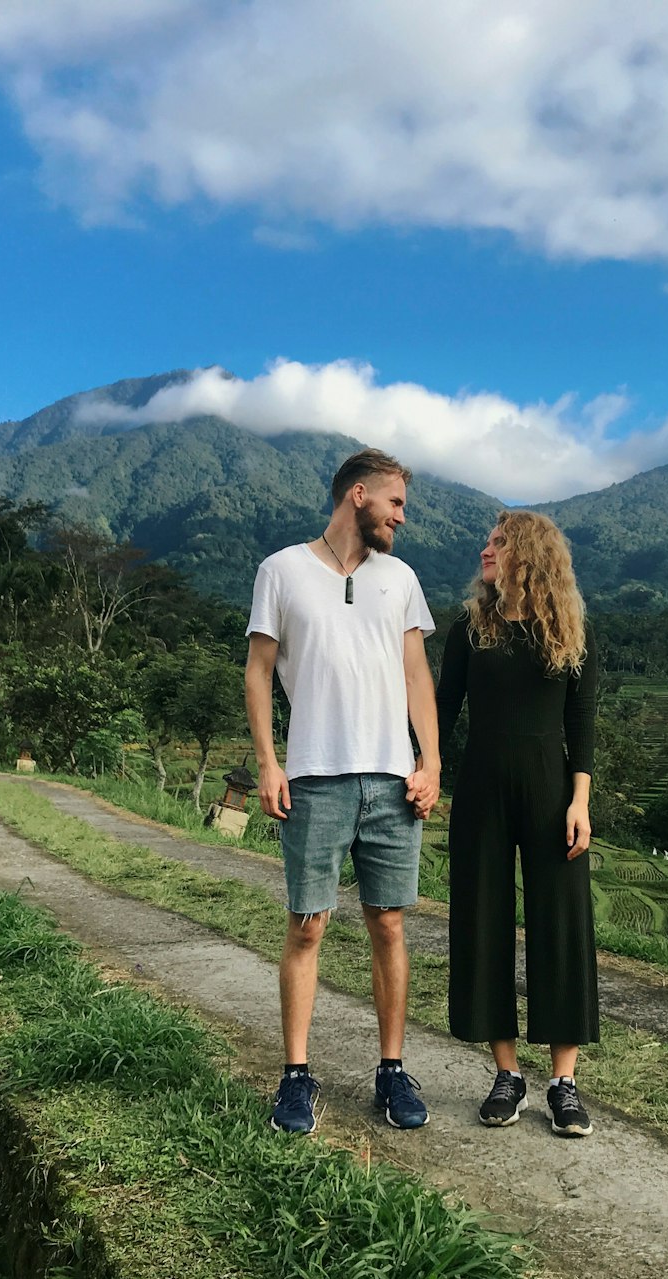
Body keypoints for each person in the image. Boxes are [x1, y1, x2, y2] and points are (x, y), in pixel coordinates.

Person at [245, 449, 441, 1134]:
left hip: (391, 781)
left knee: (388, 924)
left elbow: (417, 676)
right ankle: (296, 1076)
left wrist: (431, 761)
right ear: (358, 496)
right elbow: (258, 671)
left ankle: (391, 1072)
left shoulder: (401, 579)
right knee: (307, 926)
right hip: (315, 780)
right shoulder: (281, 571)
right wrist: (269, 762)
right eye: (395, 504)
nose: (401, 518)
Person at [435, 509, 599, 1137]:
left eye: (498, 541)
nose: (486, 548)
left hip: (552, 793)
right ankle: (507, 1074)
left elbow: (582, 723)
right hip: (480, 790)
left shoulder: (570, 631)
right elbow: (444, 714)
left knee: (561, 926)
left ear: (528, 553)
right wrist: (425, 774)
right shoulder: (469, 629)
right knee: (482, 922)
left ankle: (564, 1082)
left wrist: (580, 801)